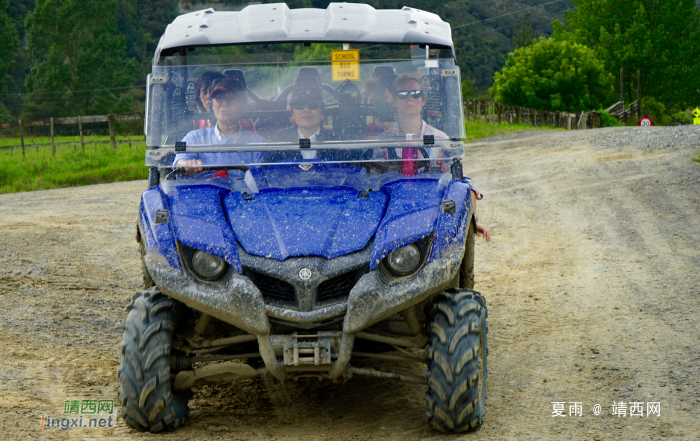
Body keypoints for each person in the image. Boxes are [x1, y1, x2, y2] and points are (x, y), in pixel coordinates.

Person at [378, 75, 491, 241]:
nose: (409, 98)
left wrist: (471, 221)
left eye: (415, 93)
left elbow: (460, 181)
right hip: (390, 210)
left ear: (423, 100)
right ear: (394, 101)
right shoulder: (382, 141)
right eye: (402, 94)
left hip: (429, 211)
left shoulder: (439, 138)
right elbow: (371, 181)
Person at [174, 78, 266, 176]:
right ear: (212, 105)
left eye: (231, 99)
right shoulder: (195, 138)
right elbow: (179, 161)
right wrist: (187, 165)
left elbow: (263, 182)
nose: (225, 103)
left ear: (244, 108)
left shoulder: (258, 144)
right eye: (219, 98)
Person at [268, 77, 345, 162]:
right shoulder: (279, 140)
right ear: (292, 114)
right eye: (299, 105)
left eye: (312, 105)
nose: (306, 109)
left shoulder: (337, 142)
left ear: (322, 114)